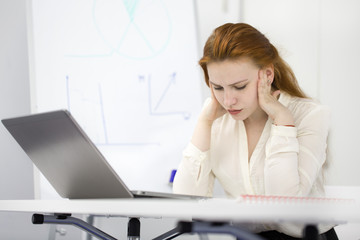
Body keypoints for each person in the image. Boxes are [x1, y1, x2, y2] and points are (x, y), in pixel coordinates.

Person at [172, 23, 338, 239]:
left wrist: (283, 121)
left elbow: (285, 205)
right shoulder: (217, 121)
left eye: (239, 86)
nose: (228, 100)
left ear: (267, 75)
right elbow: (186, 203)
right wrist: (204, 122)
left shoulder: (310, 115)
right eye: (218, 88)